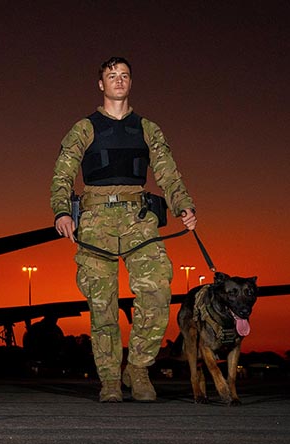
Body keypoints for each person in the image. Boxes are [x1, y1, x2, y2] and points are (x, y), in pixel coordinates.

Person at [50, 57, 197, 402]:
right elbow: (61, 175)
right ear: (100, 84)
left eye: (124, 76)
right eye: (111, 76)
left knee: (158, 292)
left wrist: (184, 206)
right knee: (102, 307)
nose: (118, 81)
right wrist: (61, 212)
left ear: (131, 83)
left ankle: (139, 368)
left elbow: (168, 173)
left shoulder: (148, 128)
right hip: (96, 219)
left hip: (139, 218)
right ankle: (110, 381)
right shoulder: (83, 129)